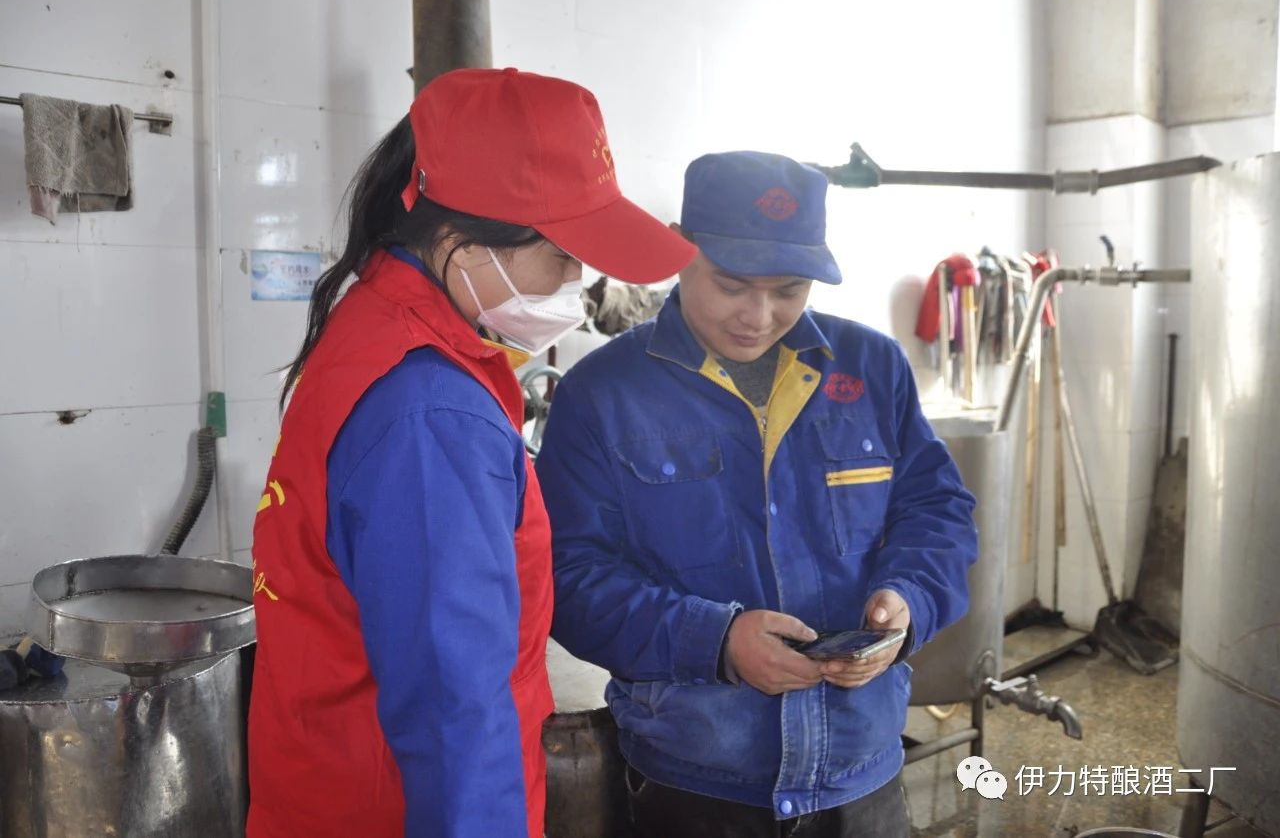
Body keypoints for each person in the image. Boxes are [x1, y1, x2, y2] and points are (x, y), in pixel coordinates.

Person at [246, 67, 696, 838]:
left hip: (328, 788)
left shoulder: (377, 322)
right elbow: (457, 711)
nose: (579, 278)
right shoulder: (432, 417)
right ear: (462, 245)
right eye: (563, 253)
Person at [535, 151, 978, 837]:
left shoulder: (871, 369)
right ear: (679, 248)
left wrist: (910, 600)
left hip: (861, 774)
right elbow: (567, 575)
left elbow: (938, 511)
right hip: (695, 781)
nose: (759, 315)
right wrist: (716, 642)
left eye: (789, 290)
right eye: (732, 285)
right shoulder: (604, 395)